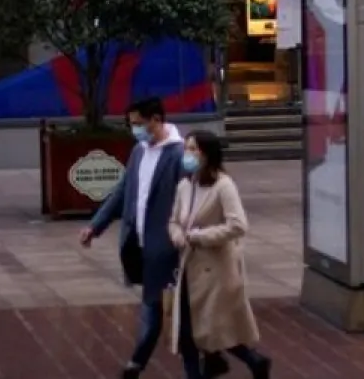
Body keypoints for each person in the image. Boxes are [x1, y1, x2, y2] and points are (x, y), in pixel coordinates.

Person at [81, 98, 187, 379]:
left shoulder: (178, 155)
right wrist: (96, 225)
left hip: (166, 247)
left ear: (156, 120)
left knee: (154, 307)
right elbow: (122, 191)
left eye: (139, 124)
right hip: (139, 243)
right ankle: (243, 357)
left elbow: (190, 201)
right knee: (176, 311)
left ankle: (135, 365)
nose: (135, 129)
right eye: (132, 124)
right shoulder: (138, 152)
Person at [168, 130, 272, 379]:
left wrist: (199, 236)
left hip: (215, 270)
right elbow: (174, 220)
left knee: (211, 327)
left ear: (206, 154)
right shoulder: (185, 185)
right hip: (189, 268)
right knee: (191, 330)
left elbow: (238, 225)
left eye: (193, 149)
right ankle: (252, 361)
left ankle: (249, 360)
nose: (188, 154)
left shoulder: (223, 186)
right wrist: (177, 235)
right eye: (187, 149)